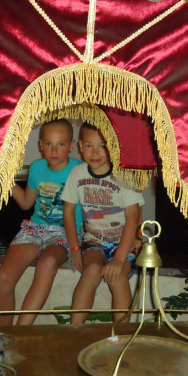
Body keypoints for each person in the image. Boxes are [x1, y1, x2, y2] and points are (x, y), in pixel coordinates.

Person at [0, 119, 82, 325]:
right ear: (40, 145)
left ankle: (21, 332)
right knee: (3, 278)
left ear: (71, 146)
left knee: (48, 262)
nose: (54, 150)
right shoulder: (37, 167)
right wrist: (5, 180)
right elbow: (26, 203)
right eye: (48, 143)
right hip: (35, 229)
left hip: (65, 231)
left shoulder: (80, 170)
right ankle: (3, 335)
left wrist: (78, 247)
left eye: (61, 144)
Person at [62, 122, 144, 324]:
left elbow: (133, 218)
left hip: (124, 242)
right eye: (89, 145)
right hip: (94, 240)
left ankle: (122, 335)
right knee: (91, 271)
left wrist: (118, 259)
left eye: (103, 146)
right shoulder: (77, 173)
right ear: (80, 146)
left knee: (118, 278)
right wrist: (74, 248)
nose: (95, 152)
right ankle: (73, 331)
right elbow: (68, 212)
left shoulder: (124, 176)